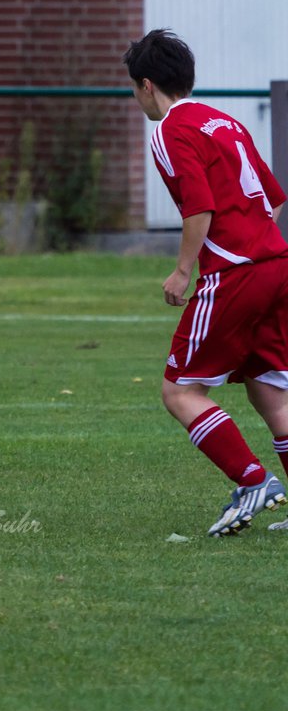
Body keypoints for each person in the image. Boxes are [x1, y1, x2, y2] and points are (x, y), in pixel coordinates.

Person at [123, 28, 288, 536]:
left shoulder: (170, 131)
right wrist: (258, 246)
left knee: (180, 392)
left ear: (147, 85)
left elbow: (200, 206)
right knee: (270, 391)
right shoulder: (226, 121)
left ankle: (253, 480)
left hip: (235, 272)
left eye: (134, 88)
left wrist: (183, 269)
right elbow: (274, 196)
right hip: (275, 264)